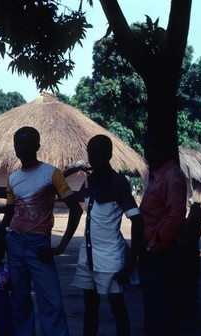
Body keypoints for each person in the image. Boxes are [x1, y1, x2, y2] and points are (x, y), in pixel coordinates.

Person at [0, 126, 83, 336]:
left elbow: (76, 210)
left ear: (37, 146)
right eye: (18, 144)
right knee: (19, 300)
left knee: (51, 300)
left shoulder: (51, 173)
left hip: (39, 246)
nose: (22, 148)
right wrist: (0, 237)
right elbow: (10, 212)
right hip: (15, 244)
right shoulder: (13, 178)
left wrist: (60, 247)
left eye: (27, 143)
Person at [72, 134, 144, 336]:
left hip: (110, 256)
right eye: (90, 154)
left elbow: (137, 220)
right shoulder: (90, 180)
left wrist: (132, 262)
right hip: (88, 256)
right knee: (90, 306)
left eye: (99, 154)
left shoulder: (118, 181)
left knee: (116, 307)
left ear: (109, 155)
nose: (93, 158)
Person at [138, 132, 187, 336]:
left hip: (161, 253)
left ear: (165, 150)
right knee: (154, 306)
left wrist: (152, 245)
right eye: (147, 148)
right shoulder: (157, 174)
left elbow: (175, 217)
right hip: (152, 252)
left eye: (154, 148)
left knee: (162, 308)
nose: (149, 153)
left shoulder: (171, 176)